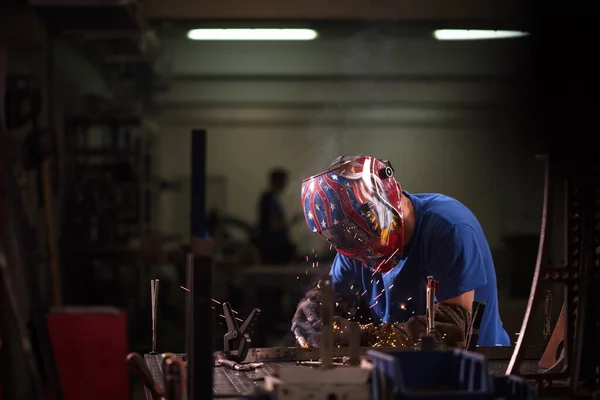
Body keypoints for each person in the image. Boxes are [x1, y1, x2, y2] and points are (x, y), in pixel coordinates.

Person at [291, 154, 510, 348]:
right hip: (402, 365)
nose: (366, 255)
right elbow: (337, 297)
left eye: (366, 237)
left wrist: (360, 335)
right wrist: (314, 308)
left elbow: (451, 330)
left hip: (479, 365)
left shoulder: (449, 228)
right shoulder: (354, 241)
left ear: (387, 202)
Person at [256, 168, 303, 264]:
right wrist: (292, 221)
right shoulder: (269, 200)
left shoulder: (272, 199)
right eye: (284, 181)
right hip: (275, 249)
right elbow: (274, 226)